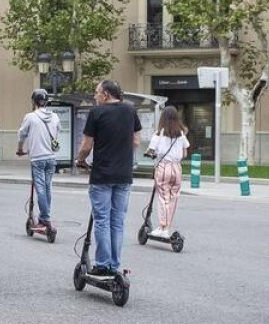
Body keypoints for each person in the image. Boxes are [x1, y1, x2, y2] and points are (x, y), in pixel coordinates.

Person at [75, 80, 141, 276]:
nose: (95, 97)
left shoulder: (96, 113)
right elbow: (136, 141)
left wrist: (80, 160)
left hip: (102, 174)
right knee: (118, 221)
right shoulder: (130, 110)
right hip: (123, 174)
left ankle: (103, 264)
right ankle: (114, 264)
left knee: (102, 219)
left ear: (105, 94)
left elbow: (86, 146)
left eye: (96, 93)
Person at [16, 88, 60, 228]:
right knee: (47, 188)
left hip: (37, 158)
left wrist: (20, 149)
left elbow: (22, 135)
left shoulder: (30, 117)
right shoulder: (55, 117)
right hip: (51, 157)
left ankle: (45, 218)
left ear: (34, 101)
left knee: (40, 188)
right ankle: (44, 216)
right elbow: (56, 133)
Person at [144, 107, 190, 237]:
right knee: (173, 197)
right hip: (177, 169)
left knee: (163, 197)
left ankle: (162, 228)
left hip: (164, 168)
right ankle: (167, 226)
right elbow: (185, 153)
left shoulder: (159, 134)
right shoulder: (180, 134)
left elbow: (150, 151)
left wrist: (152, 153)